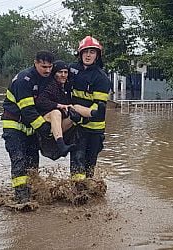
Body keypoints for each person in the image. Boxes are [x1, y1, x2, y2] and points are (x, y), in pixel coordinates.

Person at [1, 50, 54, 205]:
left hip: (30, 128)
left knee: (33, 162)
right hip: (14, 126)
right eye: (44, 66)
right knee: (19, 160)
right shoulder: (23, 80)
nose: (48, 70)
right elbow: (28, 110)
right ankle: (21, 199)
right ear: (35, 63)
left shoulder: (46, 79)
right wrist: (45, 129)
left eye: (50, 67)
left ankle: (33, 192)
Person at [68, 35, 112, 185]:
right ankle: (77, 193)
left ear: (97, 55)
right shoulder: (71, 70)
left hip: (94, 129)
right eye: (85, 51)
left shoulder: (101, 78)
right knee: (76, 160)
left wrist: (82, 114)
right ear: (80, 54)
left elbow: (99, 107)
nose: (88, 55)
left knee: (89, 165)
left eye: (92, 52)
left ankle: (88, 190)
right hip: (77, 127)